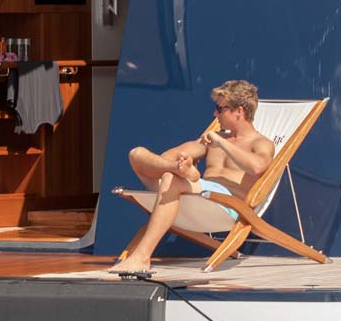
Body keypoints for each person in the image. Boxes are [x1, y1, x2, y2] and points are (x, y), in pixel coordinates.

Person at [111, 80, 273, 279]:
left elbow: (257, 167)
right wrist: (178, 164)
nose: (215, 114)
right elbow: (165, 157)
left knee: (172, 179)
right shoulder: (210, 140)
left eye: (219, 109)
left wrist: (221, 142)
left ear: (239, 111)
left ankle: (142, 256)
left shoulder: (260, 143)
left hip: (226, 205)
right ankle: (184, 173)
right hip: (196, 195)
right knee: (137, 154)